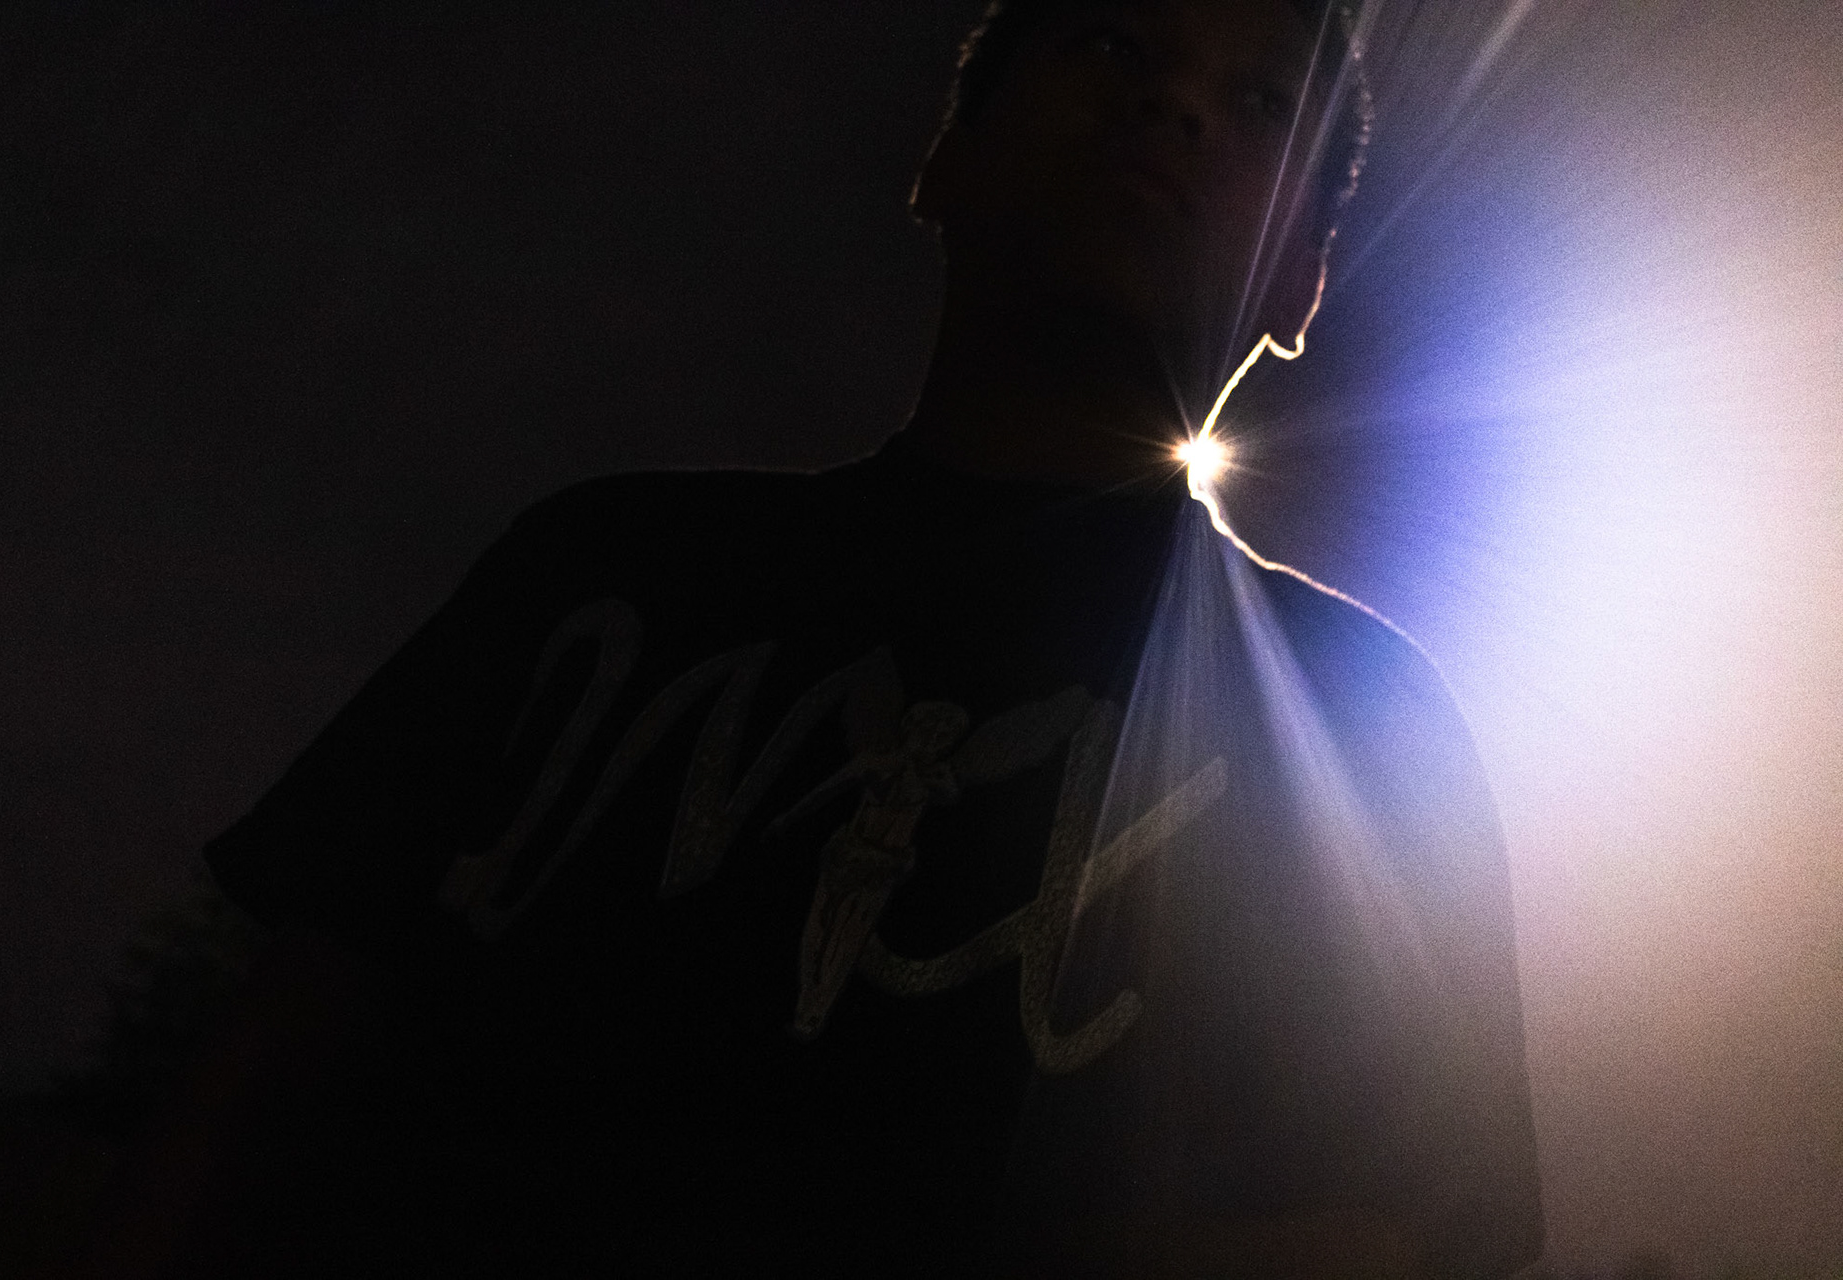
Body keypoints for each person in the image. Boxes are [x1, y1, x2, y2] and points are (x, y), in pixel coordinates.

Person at [82, 1, 1543, 1275]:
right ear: (945, 157)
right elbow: (255, 1074)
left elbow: (1394, 1235)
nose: (1175, 106)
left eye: (1262, 104)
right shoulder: (602, 571)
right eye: (1111, 43)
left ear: (1302, 284)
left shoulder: (1356, 729)